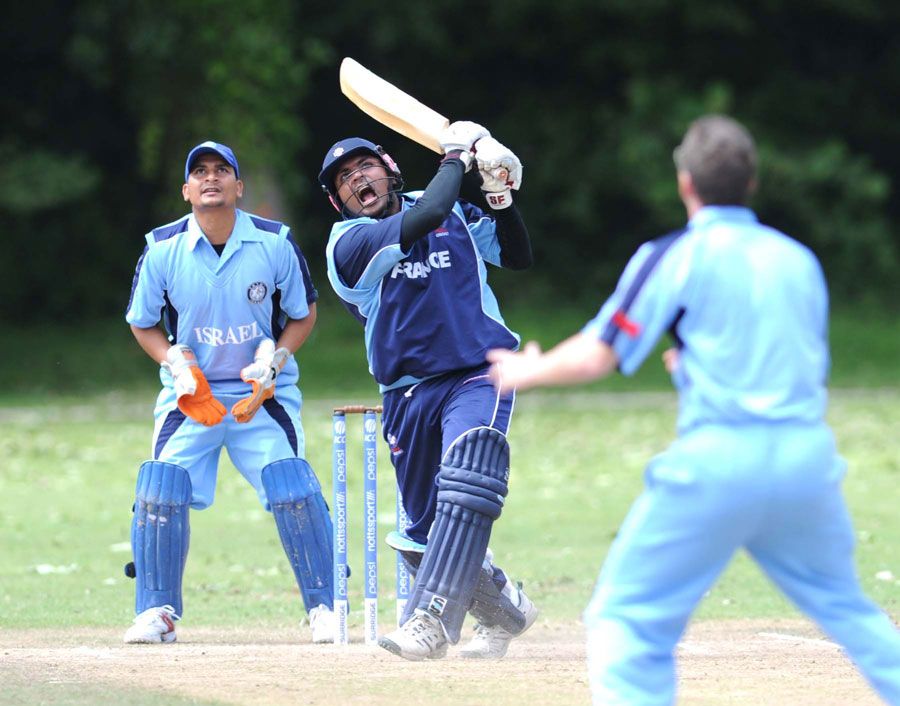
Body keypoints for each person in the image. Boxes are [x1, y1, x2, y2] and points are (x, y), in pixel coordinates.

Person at [486, 114, 900, 704]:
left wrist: (528, 369)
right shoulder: (797, 260)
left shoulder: (674, 255)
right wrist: (700, 368)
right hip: (806, 461)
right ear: (751, 184)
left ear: (686, 184)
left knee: (626, 619)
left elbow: (600, 353)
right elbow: (792, 363)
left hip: (721, 462)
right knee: (850, 611)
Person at [318, 122, 539, 660]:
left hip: (478, 371)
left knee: (468, 478)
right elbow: (427, 216)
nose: (357, 180)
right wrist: (457, 156)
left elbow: (515, 255)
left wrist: (500, 196)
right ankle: (507, 611)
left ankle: (431, 620)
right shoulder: (349, 243)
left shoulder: (456, 214)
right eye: (344, 179)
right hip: (408, 394)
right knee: (422, 540)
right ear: (336, 199)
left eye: (365, 166)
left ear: (390, 168)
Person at [123, 140, 335, 645]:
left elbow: (303, 313)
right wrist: (174, 361)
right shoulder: (162, 249)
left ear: (240, 188)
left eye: (222, 171)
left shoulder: (274, 242)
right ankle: (157, 612)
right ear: (186, 190)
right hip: (191, 394)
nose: (211, 178)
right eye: (200, 172)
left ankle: (326, 606)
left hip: (261, 392)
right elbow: (143, 322)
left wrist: (274, 361)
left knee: (292, 486)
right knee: (161, 486)